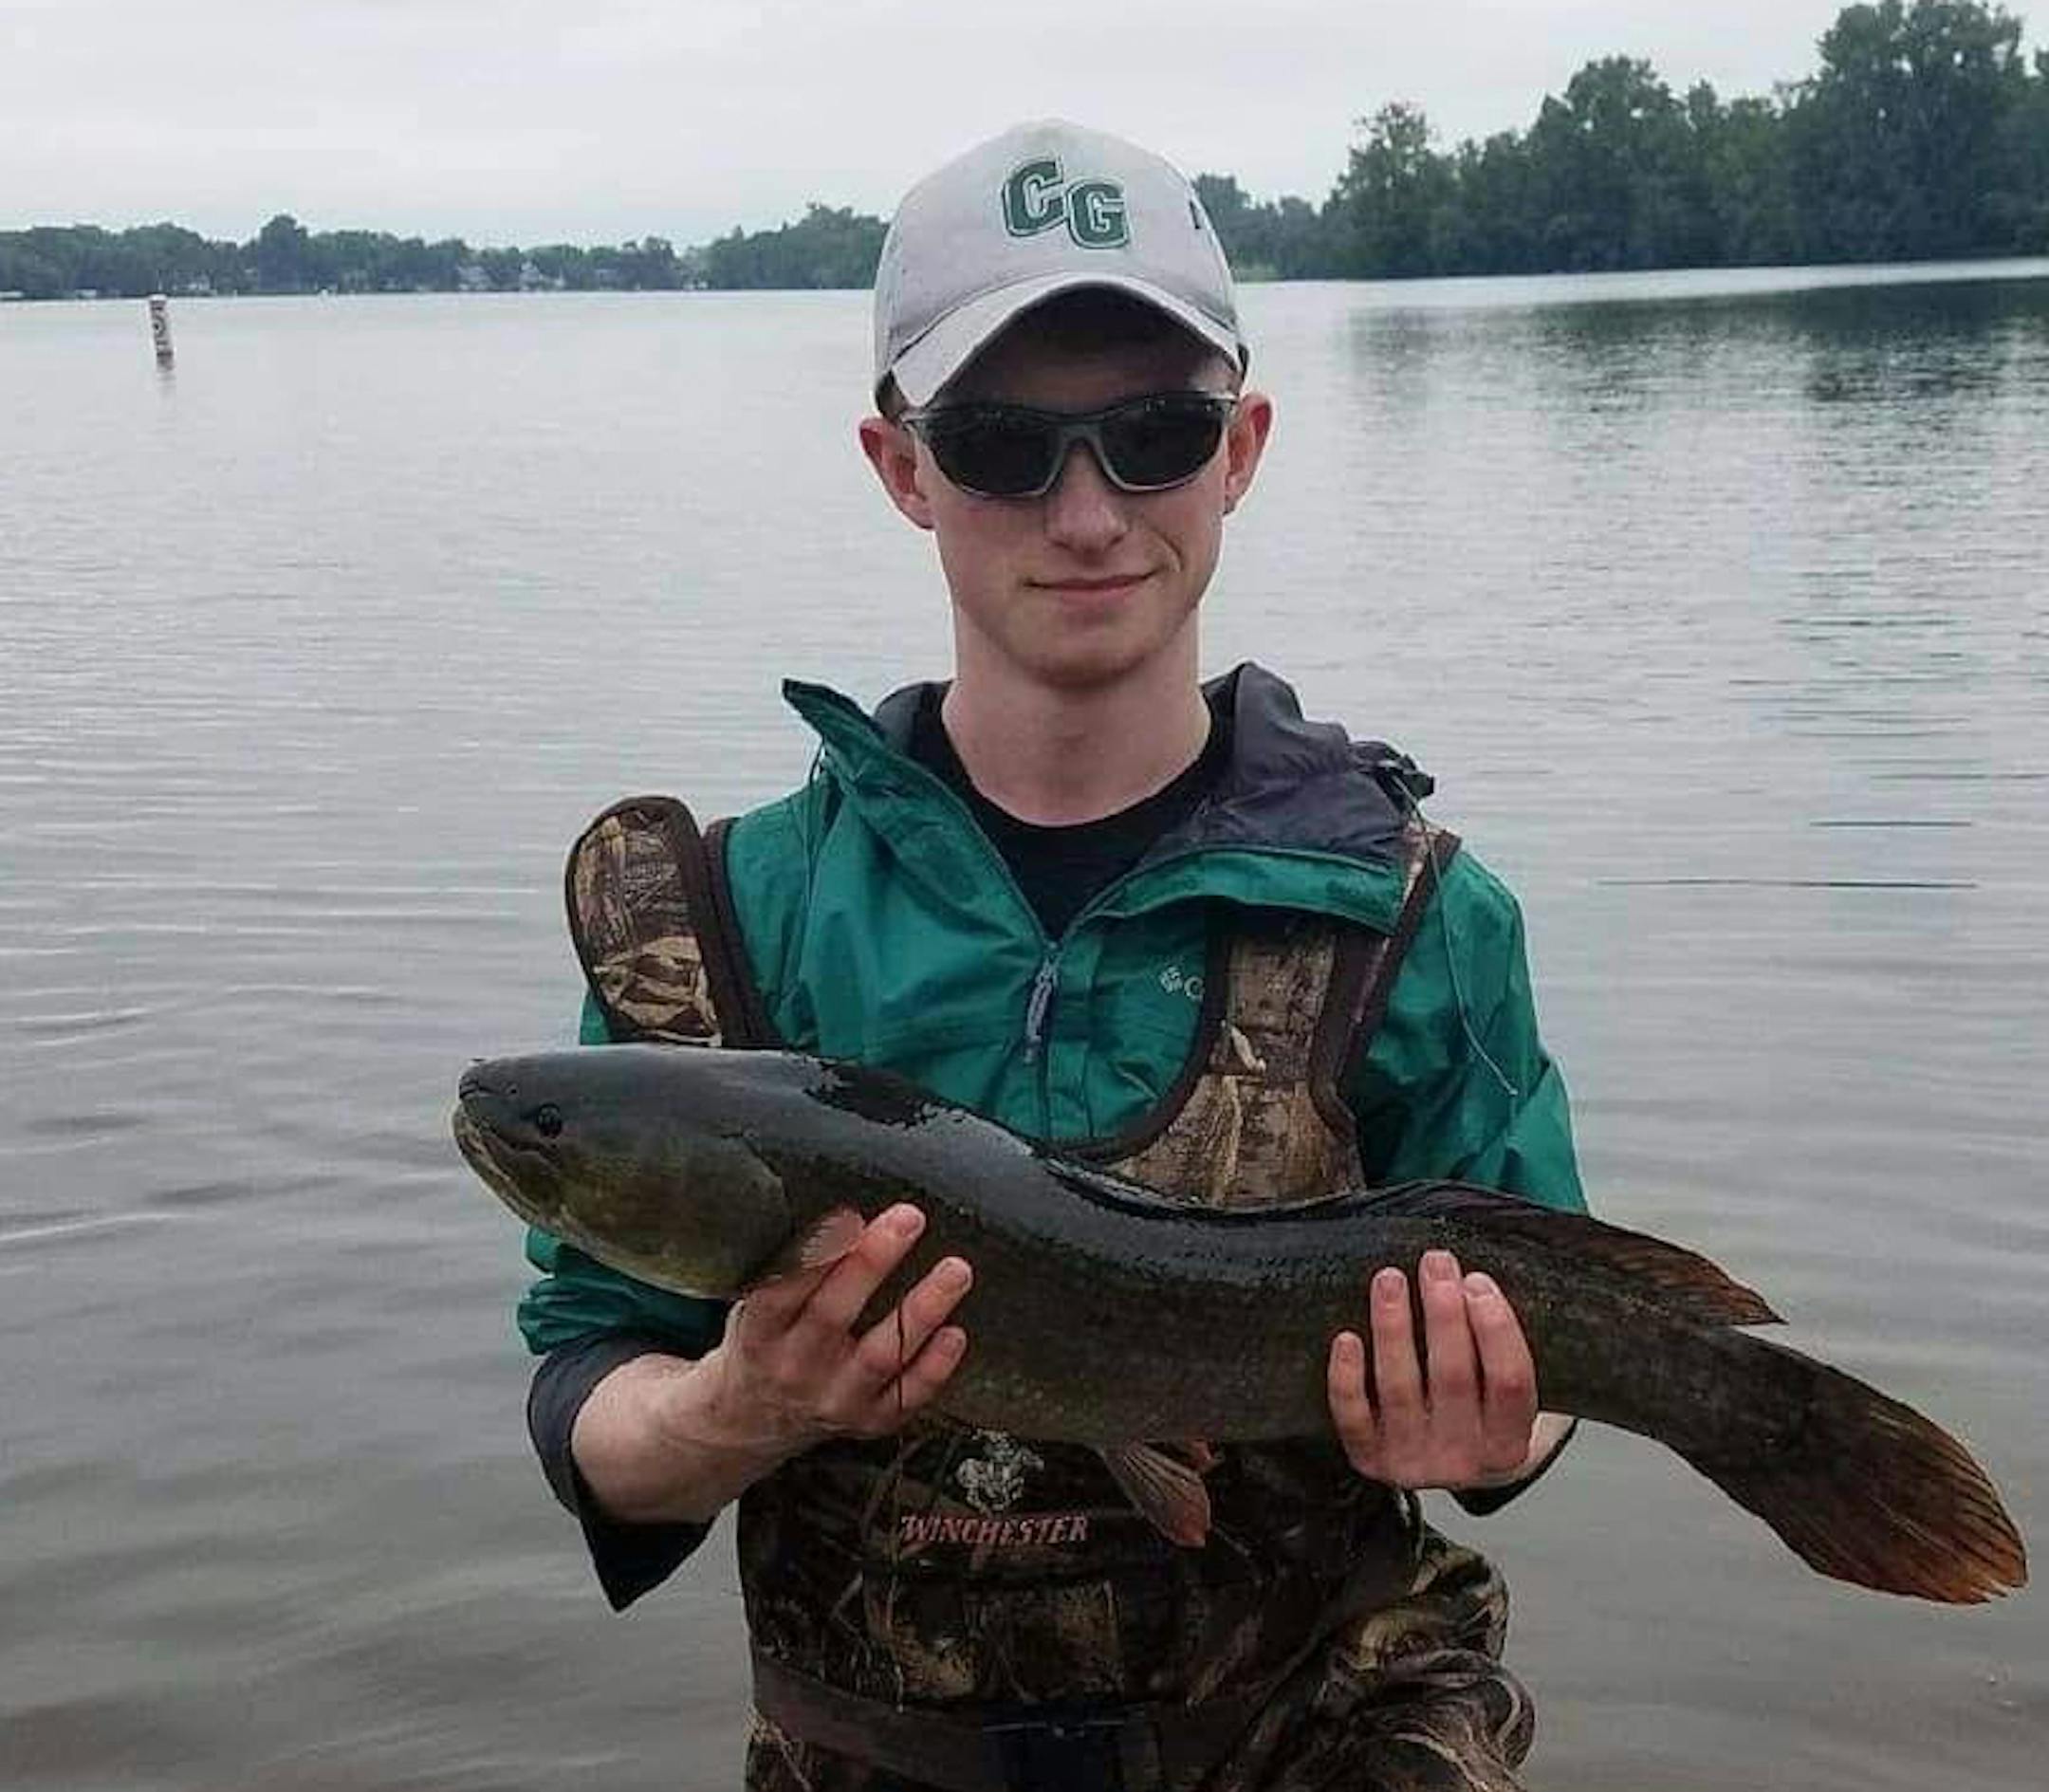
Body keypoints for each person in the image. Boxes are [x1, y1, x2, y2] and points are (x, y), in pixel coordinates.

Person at [519, 120, 1585, 1792]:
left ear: (1238, 448)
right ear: (901, 466)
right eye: (1009, 445)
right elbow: (590, 1385)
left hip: (1323, 1738)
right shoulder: (725, 927)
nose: (1086, 512)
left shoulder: (1418, 917)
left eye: (1152, 434)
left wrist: (1503, 1422)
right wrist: (733, 1406)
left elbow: (1547, 1369)